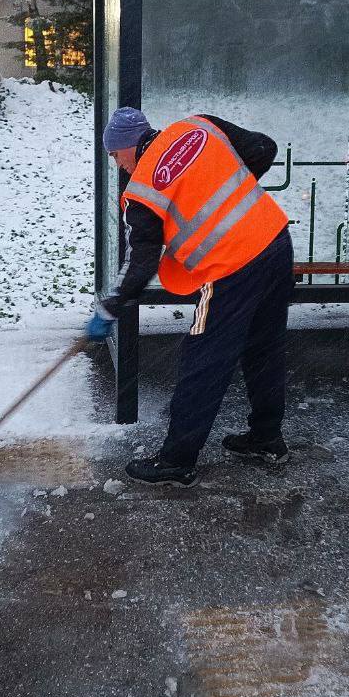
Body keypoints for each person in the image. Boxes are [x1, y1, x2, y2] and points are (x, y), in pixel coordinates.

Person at [85, 107, 294, 486]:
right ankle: (267, 438)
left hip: (231, 266)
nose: (119, 166)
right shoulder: (199, 125)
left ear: (129, 146)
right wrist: (229, 199)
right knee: (264, 347)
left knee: (203, 360)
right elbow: (264, 148)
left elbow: (141, 261)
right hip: (275, 241)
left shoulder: (143, 189)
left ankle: (177, 460)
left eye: (116, 155)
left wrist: (112, 303)